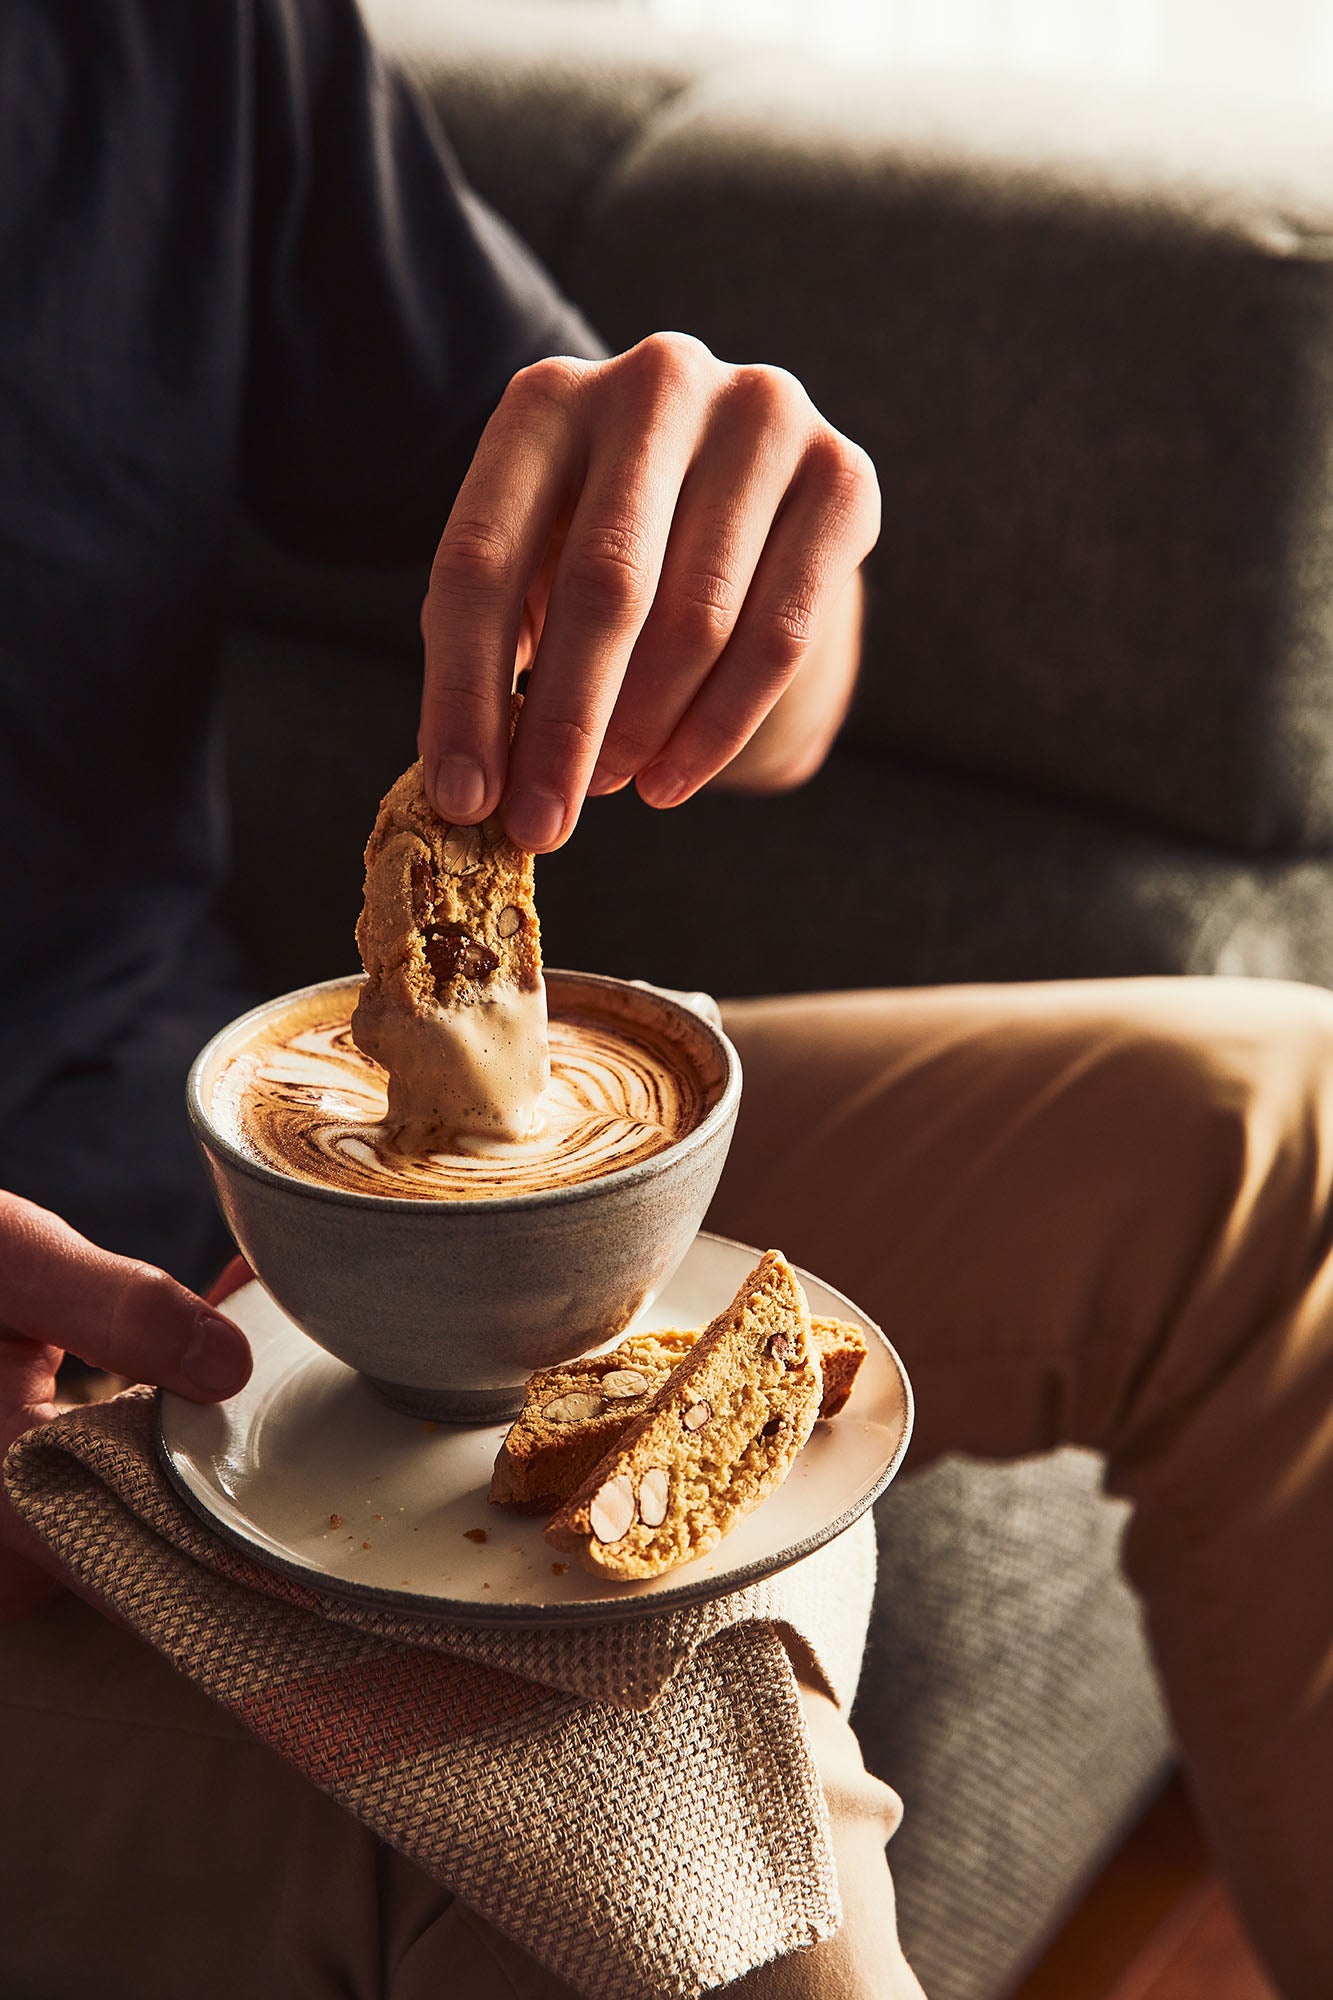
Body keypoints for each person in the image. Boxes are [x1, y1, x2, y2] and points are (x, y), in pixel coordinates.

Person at [0, 5, 1330, 1998]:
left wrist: (753, 555)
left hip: (259, 1211)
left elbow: (746, 680)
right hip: (59, 1445)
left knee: (1269, 1132)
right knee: (707, 1897)